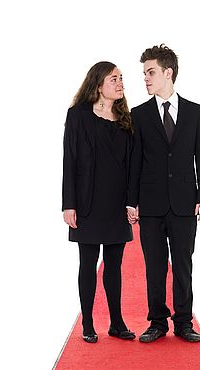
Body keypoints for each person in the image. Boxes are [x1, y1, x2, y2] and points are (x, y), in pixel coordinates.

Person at [127, 45, 200, 343]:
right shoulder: (138, 115)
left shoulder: (195, 113)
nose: (146, 79)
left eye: (150, 72)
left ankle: (184, 322)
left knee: (183, 264)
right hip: (150, 204)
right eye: (144, 74)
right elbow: (134, 161)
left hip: (184, 202)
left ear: (168, 72)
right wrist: (131, 201)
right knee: (154, 266)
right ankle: (158, 322)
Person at [62, 62, 135, 343]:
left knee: (114, 266)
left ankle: (117, 322)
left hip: (117, 204)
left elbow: (132, 166)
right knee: (88, 263)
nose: (120, 83)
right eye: (113, 79)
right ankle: (88, 323)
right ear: (98, 84)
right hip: (87, 204)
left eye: (121, 78)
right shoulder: (77, 116)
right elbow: (70, 160)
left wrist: (133, 202)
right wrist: (69, 204)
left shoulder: (125, 117)